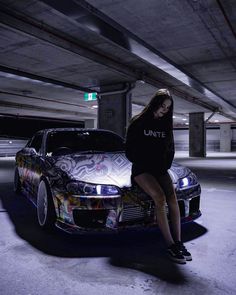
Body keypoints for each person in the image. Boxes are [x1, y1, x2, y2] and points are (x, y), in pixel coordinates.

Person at [125, 88, 191, 264]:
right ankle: (169, 245)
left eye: (168, 108)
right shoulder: (138, 122)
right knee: (160, 198)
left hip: (160, 169)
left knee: (173, 198)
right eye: (162, 106)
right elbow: (129, 151)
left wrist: (165, 165)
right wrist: (145, 161)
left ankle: (178, 242)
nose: (165, 110)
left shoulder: (165, 124)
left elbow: (170, 149)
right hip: (141, 170)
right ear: (155, 103)